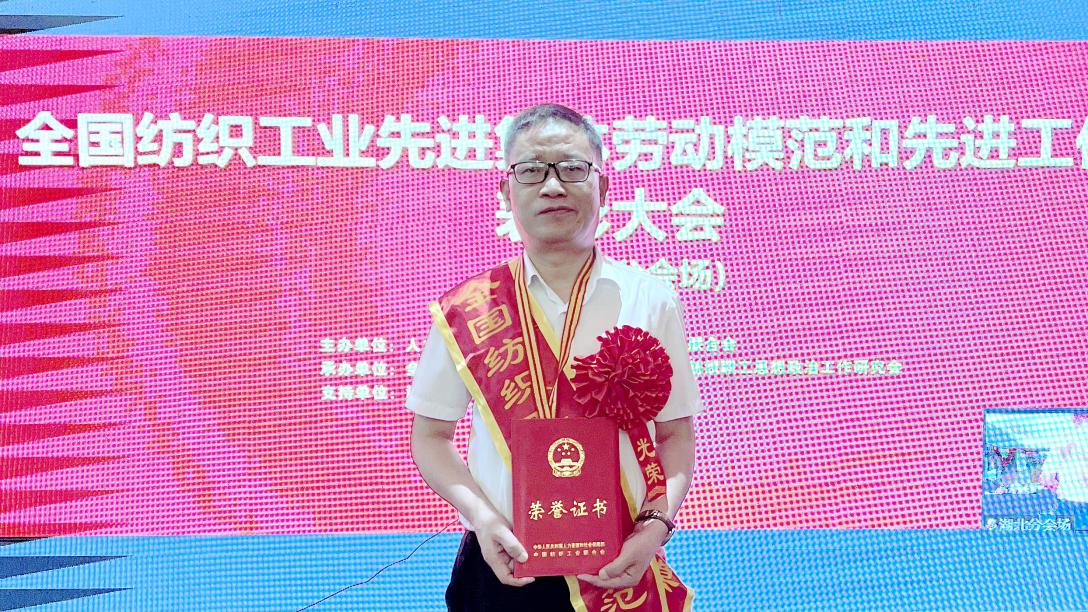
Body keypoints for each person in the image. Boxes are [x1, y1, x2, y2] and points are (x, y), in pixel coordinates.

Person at [407, 103, 703, 611]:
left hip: (620, 562)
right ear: (507, 191)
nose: (552, 186)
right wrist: (483, 518)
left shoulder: (650, 299)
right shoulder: (468, 309)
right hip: (502, 563)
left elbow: (675, 434)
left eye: (572, 169)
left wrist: (656, 526)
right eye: (531, 171)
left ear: (602, 187)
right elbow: (430, 437)